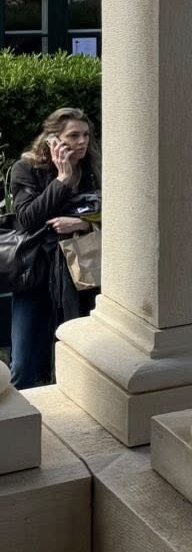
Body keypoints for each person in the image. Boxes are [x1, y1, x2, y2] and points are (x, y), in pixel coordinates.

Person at [7, 107, 100, 389]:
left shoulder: (94, 169)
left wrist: (82, 223)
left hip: (81, 276)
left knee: (73, 357)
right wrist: (61, 179)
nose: (82, 141)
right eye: (73, 135)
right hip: (35, 274)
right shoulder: (26, 169)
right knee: (24, 364)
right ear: (53, 140)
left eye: (85, 135)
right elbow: (27, 219)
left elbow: (113, 212)